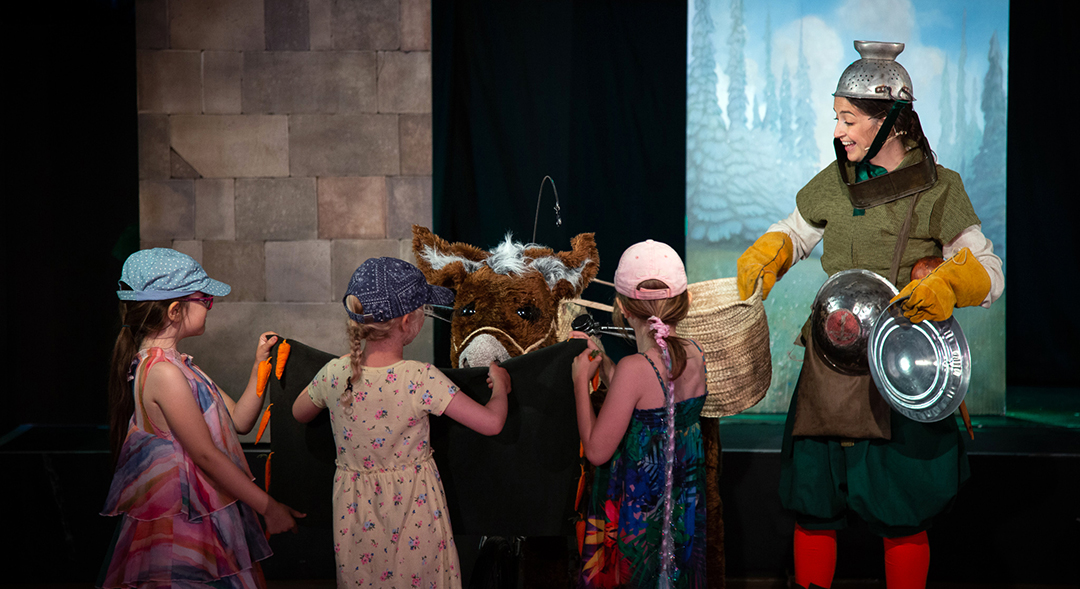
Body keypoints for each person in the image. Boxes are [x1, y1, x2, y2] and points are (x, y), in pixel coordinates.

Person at [736, 41, 1004, 589]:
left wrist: (953, 281)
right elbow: (796, 231)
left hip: (901, 369)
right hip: (831, 363)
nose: (839, 131)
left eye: (850, 119)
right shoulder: (836, 181)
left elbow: (991, 272)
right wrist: (772, 251)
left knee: (901, 509)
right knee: (814, 503)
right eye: (837, 117)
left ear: (892, 122)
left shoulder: (939, 186)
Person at [292, 257, 511, 588]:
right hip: (414, 510)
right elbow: (492, 423)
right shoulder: (420, 378)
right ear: (409, 319)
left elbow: (298, 412)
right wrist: (502, 388)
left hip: (355, 516)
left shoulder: (334, 374)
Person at [100, 248, 304, 589]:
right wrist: (267, 506)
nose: (210, 306)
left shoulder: (181, 365)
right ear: (176, 309)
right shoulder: (163, 373)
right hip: (184, 524)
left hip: (205, 513)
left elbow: (239, 421)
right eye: (205, 299)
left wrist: (260, 367)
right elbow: (206, 455)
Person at [572, 240, 708, 588]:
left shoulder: (636, 369)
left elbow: (599, 450)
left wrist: (579, 383)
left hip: (640, 520)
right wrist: (603, 362)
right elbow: (653, 402)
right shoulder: (695, 354)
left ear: (622, 307)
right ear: (684, 302)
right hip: (679, 513)